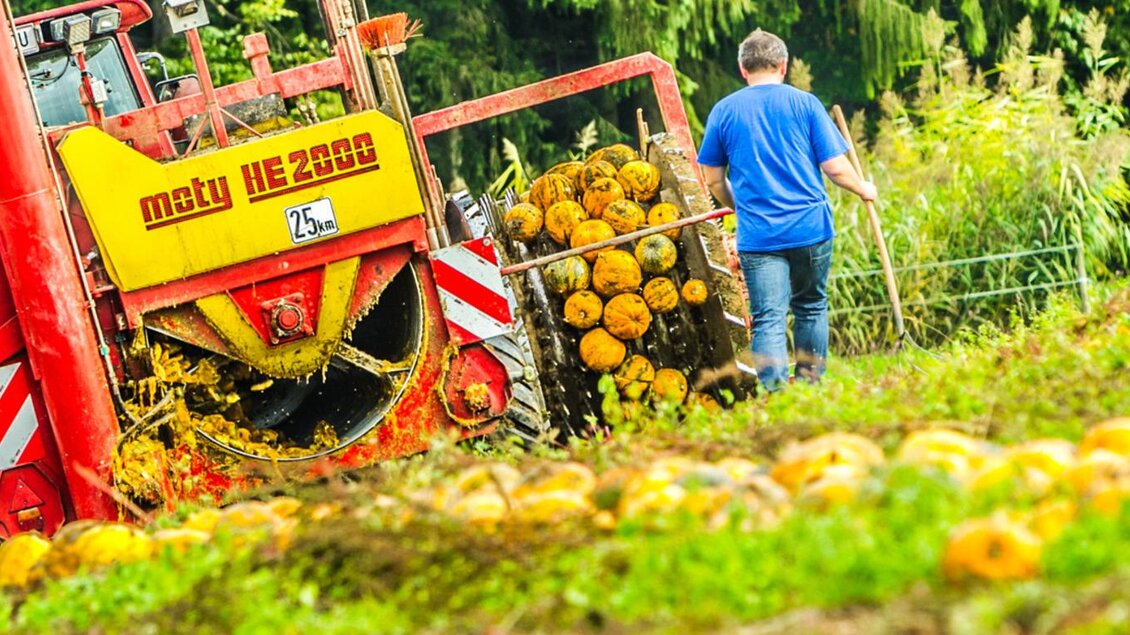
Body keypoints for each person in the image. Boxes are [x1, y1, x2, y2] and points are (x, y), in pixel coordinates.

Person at [697, 29, 877, 392]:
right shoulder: (805, 104)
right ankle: (811, 388)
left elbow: (713, 181)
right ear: (783, 65)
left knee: (768, 318)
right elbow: (836, 168)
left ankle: (777, 394)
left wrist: (740, 208)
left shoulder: (724, 111)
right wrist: (864, 188)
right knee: (811, 306)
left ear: (742, 68)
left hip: (759, 236)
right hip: (810, 228)